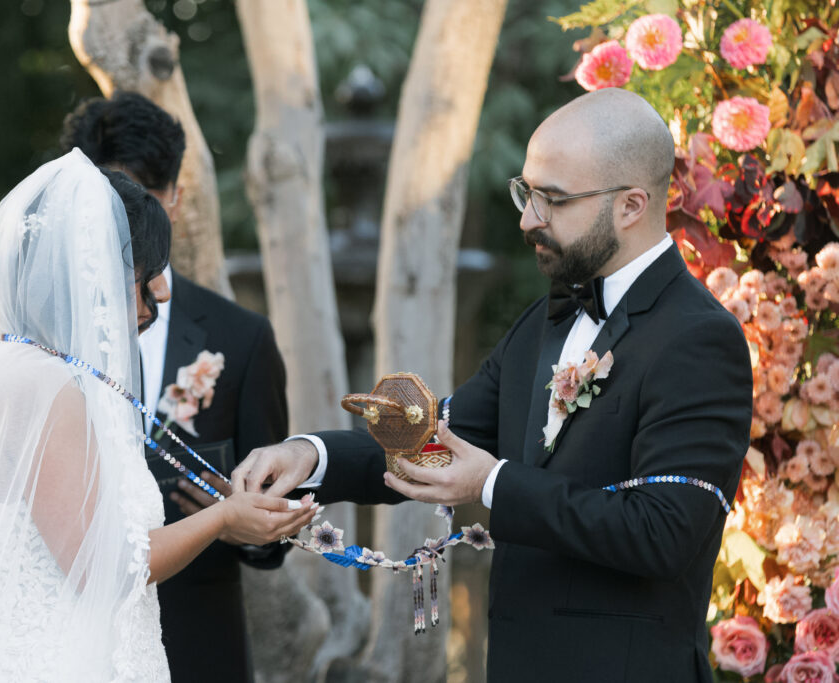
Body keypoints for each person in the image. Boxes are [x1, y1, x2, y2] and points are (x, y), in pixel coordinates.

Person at [232, 88, 753, 682]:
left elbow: (664, 533)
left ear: (632, 205)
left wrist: (493, 483)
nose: (529, 218)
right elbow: (437, 440)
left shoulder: (700, 339)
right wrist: (310, 455)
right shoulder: (541, 323)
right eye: (526, 192)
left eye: (553, 200)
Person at [0, 151, 315, 682]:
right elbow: (105, 569)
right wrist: (225, 518)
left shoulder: (41, 372)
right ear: (96, 272)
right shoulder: (39, 385)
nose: (158, 294)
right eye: (147, 274)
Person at [0, 91, 290, 682]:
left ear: (174, 196)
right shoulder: (18, 359)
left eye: (138, 198)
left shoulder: (240, 337)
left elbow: (266, 529)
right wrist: (219, 521)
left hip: (191, 646)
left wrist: (241, 514)